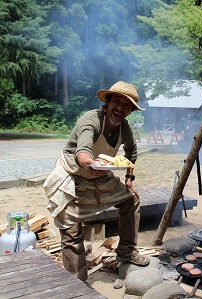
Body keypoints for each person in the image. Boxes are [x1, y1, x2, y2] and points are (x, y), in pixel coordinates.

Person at [43, 81, 149, 281]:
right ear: (107, 103)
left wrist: (129, 177)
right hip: (72, 175)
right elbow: (82, 149)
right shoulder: (91, 119)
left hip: (101, 174)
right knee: (71, 231)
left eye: (127, 105)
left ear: (130, 111)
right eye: (117, 101)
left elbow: (131, 151)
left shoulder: (124, 127)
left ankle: (126, 252)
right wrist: (89, 163)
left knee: (131, 200)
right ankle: (77, 282)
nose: (120, 108)